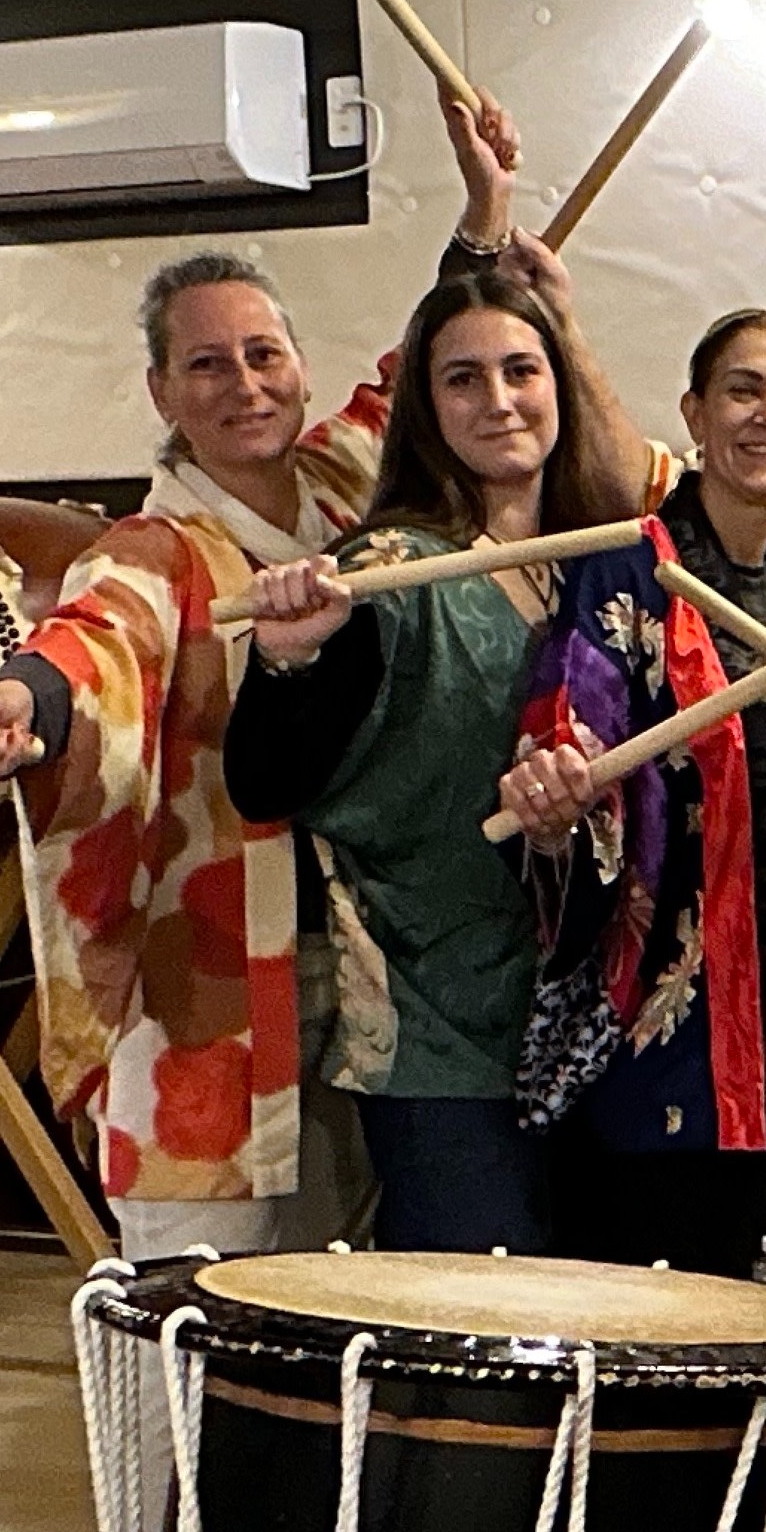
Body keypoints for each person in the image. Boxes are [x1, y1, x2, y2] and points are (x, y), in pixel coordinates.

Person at [0, 95, 625, 1259]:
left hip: (374, 984)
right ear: (161, 394)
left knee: (353, 1312)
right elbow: (95, 640)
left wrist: (485, 218)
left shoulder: (349, 488)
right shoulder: (152, 552)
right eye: (205, 364)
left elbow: (432, 371)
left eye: (264, 355)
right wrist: (24, 704)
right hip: (218, 985)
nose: (243, 384)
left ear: (300, 369)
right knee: (207, 1320)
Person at [220, 260, 650, 1254]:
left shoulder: (606, 570)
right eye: (463, 379)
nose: (498, 401)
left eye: (522, 371)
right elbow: (265, 779)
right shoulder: (388, 573)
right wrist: (286, 659)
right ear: (424, 407)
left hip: (595, 1023)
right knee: (477, 1353)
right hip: (441, 1031)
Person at [496, 307, 766, 1303]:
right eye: (743, 389)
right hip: (677, 1049)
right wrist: (558, 788)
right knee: (682, 1344)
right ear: (693, 411)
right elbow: (573, 746)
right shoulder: (625, 573)